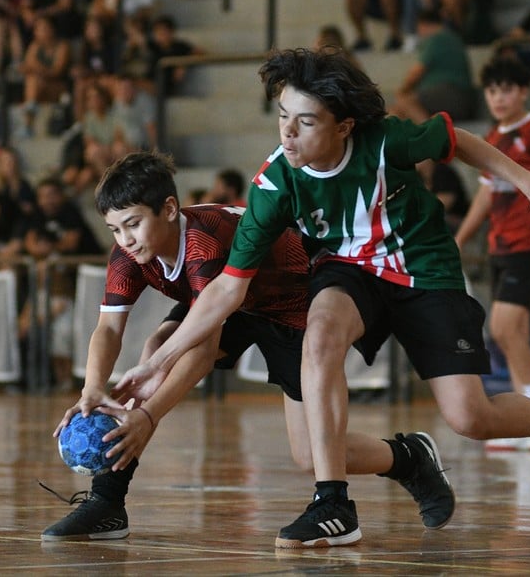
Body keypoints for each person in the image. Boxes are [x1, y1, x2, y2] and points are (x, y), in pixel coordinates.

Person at [113, 48, 530, 549]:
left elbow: (457, 140)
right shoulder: (277, 180)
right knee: (321, 332)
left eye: (305, 122)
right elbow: (227, 287)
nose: (288, 132)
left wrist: (529, 185)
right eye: (283, 116)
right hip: (348, 268)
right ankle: (333, 502)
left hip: (423, 267)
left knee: (470, 417)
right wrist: (161, 362)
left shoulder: (388, 139)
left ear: (344, 126)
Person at [42, 151, 457, 541]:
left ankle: (408, 457)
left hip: (294, 304)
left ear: (169, 209)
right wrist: (92, 389)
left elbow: (203, 351)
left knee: (310, 455)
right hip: (230, 299)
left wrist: (148, 416)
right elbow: (108, 330)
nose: (126, 239)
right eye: (115, 229)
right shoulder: (128, 256)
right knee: (158, 347)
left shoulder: (205, 244)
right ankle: (107, 500)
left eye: (133, 224)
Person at [453, 56, 530, 450]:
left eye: (507, 89)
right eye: (492, 90)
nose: (499, 97)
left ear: (523, 91)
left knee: (505, 328)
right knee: (510, 334)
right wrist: (460, 239)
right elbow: (486, 197)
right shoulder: (491, 138)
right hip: (500, 250)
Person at [388, 9, 476, 124]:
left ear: (423, 25)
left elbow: (416, 72)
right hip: (456, 98)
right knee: (395, 111)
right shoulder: (453, 38)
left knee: (405, 102)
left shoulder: (438, 38)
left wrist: (402, 91)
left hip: (452, 95)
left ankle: (431, 136)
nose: (420, 33)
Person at [18, 14, 70, 137]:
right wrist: (38, 70)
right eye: (39, 29)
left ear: (52, 29)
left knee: (34, 80)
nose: (42, 32)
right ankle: (30, 111)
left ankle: (29, 116)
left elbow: (57, 71)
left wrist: (37, 69)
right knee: (33, 80)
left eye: (45, 28)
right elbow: (26, 67)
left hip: (58, 88)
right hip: (40, 87)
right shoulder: (34, 46)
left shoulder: (62, 46)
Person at [144, 14, 204, 97]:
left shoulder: (180, 46)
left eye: (163, 31)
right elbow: (139, 40)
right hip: (149, 81)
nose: (160, 34)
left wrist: (183, 64)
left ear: (171, 32)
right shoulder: (154, 47)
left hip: (164, 85)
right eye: (157, 32)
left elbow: (200, 54)